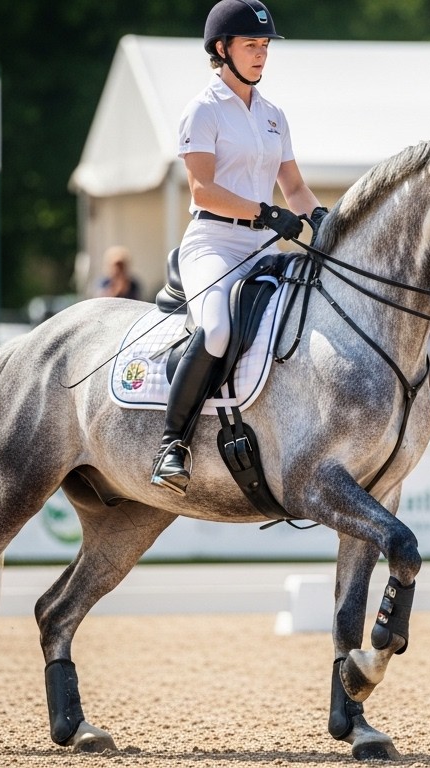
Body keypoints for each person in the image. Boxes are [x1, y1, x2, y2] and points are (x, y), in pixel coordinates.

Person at [149, 0, 324, 494]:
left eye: (265, 46)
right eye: (251, 45)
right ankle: (172, 444)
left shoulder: (273, 115)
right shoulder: (202, 110)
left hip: (264, 245)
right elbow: (201, 188)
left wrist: (325, 220)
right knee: (218, 328)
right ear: (221, 49)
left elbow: (294, 188)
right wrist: (265, 213)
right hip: (214, 242)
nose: (261, 55)